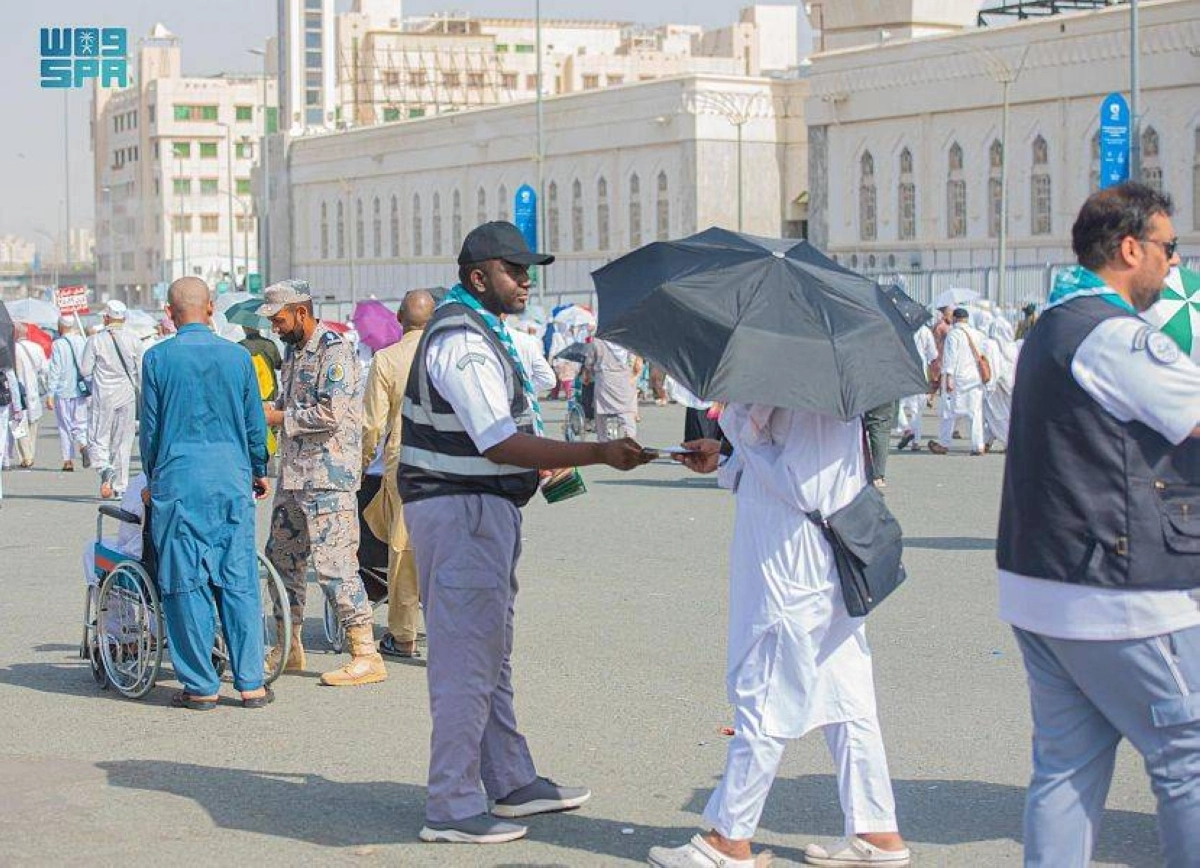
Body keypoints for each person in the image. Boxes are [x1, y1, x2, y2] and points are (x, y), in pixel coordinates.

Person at [399, 221, 651, 844]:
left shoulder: (482, 329)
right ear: (478, 277)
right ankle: (451, 806)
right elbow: (498, 440)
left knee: (488, 652)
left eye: (526, 270)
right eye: (513, 271)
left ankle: (509, 780)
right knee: (466, 659)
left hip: (479, 508)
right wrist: (597, 452)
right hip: (461, 509)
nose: (525, 281)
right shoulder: (461, 339)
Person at [998, 182, 1200, 868]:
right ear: (1130, 248)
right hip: (1119, 590)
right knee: (1188, 752)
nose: (1175, 262)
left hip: (1042, 581)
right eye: (1169, 247)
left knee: (1067, 765)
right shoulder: (1115, 336)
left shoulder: (1055, 324)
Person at [650, 407, 909, 868]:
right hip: (813, 553)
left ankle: (729, 839)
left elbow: (802, 481)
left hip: (792, 558)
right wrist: (726, 454)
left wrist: (738, 431)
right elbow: (780, 461)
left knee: (765, 686)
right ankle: (876, 828)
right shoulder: (813, 383)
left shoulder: (799, 390)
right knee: (846, 693)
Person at [139, 277, 272, 710]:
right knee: (238, 578)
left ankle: (201, 685)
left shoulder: (157, 358)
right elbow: (254, 424)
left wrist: (153, 478)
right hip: (230, 477)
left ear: (169, 312)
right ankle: (250, 682)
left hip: (178, 479)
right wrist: (258, 469)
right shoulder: (238, 357)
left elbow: (151, 430)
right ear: (211, 308)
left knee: (185, 581)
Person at [259, 280, 386, 687]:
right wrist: (270, 408)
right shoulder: (292, 352)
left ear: (301, 312)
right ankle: (289, 644)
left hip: (327, 479)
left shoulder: (335, 350)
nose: (275, 328)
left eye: (279, 319)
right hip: (294, 476)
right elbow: (291, 402)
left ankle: (365, 653)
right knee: (282, 560)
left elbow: (331, 413)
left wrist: (279, 417)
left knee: (335, 567)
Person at [361, 289, 435, 660]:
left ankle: (404, 635)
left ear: (399, 318)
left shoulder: (387, 359)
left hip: (406, 464)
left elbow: (371, 424)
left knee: (404, 548)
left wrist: (361, 463)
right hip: (453, 467)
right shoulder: (450, 358)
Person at [81, 300, 142, 498]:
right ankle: (120, 487)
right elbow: (141, 373)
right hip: (127, 394)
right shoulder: (134, 340)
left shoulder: (95, 340)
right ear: (123, 318)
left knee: (98, 437)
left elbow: (85, 370)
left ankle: (103, 467)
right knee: (123, 441)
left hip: (104, 395)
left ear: (106, 318)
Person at [929, 308, 986, 455]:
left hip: (957, 379)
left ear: (954, 319)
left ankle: (944, 444)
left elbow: (950, 358)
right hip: (975, 379)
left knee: (948, 412)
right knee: (975, 413)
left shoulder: (953, 334)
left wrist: (948, 378)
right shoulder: (977, 334)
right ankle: (978, 445)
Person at [46, 317, 91, 472]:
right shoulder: (81, 341)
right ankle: (83, 443)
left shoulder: (58, 344)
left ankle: (68, 460)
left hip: (63, 390)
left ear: (60, 326)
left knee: (65, 426)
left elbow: (55, 369)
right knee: (80, 422)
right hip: (80, 389)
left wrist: (50, 393)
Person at [581, 336, 642, 442]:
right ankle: (630, 439)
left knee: (601, 412)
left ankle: (603, 440)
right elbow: (633, 361)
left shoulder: (598, 341)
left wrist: (588, 372)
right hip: (624, 378)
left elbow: (589, 362)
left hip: (604, 379)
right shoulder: (627, 339)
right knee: (626, 411)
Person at [896, 321, 938, 452]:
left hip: (903, 369)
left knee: (896, 404)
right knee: (917, 410)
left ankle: (906, 428)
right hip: (920, 371)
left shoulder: (900, 327)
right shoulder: (925, 331)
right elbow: (933, 355)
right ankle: (916, 442)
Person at [11, 323, 47, 469]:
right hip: (33, 390)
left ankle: (25, 456)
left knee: (19, 423)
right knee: (33, 424)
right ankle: (30, 454)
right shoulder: (37, 347)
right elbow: (45, 369)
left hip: (18, 390)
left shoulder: (13, 349)